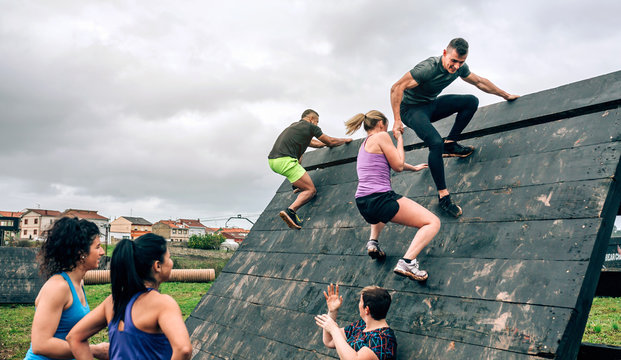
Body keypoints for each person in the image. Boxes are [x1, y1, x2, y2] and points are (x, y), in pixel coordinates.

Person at [390, 37, 519, 217]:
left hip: (430, 105)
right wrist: (397, 120)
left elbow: (479, 82)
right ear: (445, 53)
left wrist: (505, 95)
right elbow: (397, 87)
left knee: (470, 101)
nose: (456, 66)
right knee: (435, 142)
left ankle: (450, 143)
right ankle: (443, 197)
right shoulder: (428, 68)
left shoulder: (460, 69)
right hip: (411, 110)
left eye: (461, 62)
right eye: (453, 61)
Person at [345, 110, 440, 281]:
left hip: (363, 202)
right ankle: (408, 262)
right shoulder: (381, 136)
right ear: (381, 124)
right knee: (432, 222)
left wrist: (414, 168)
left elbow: (390, 161)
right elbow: (397, 165)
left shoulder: (365, 144)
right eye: (387, 126)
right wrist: (399, 139)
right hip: (380, 198)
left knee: (379, 216)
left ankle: (373, 241)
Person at [66, 234, 192, 360]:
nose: (171, 262)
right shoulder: (162, 303)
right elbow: (183, 349)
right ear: (157, 266)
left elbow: (74, 337)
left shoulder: (112, 301)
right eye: (169, 258)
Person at [24, 217, 108, 360]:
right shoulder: (58, 287)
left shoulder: (78, 282)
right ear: (81, 252)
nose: (102, 252)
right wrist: (94, 350)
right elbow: (40, 344)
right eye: (97, 246)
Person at [268, 109, 352, 229]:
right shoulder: (310, 127)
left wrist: (323, 144)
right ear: (312, 119)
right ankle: (290, 211)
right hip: (286, 161)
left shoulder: (295, 126)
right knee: (310, 190)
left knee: (300, 156)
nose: (317, 124)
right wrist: (344, 140)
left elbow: (312, 143)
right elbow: (330, 141)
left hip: (273, 161)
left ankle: (297, 185)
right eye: (317, 122)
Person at [315, 283, 397, 360]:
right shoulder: (361, 325)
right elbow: (329, 341)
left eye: (360, 301)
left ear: (366, 309)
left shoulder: (383, 338)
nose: (359, 304)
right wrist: (332, 312)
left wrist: (334, 329)